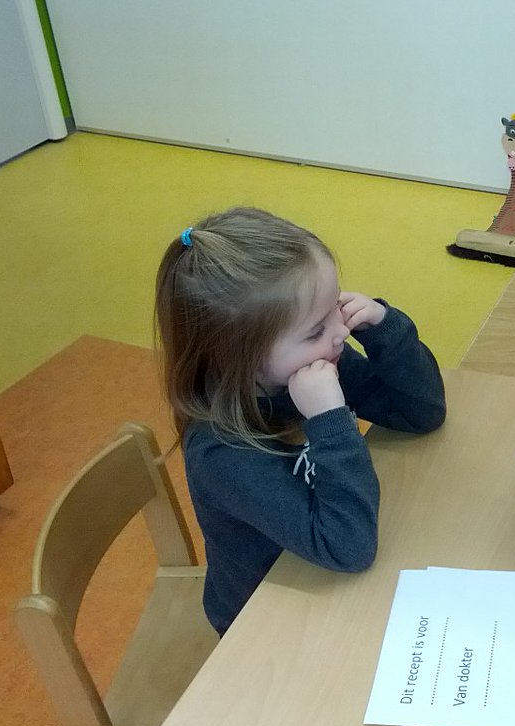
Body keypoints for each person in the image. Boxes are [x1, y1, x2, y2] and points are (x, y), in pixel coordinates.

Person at [155, 206, 446, 635]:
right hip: (265, 621)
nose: (340, 333)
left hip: (321, 579)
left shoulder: (312, 366)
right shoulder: (222, 453)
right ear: (242, 359)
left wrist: (386, 328)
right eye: (315, 329)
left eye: (336, 307)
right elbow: (348, 547)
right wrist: (329, 421)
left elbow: (420, 412)